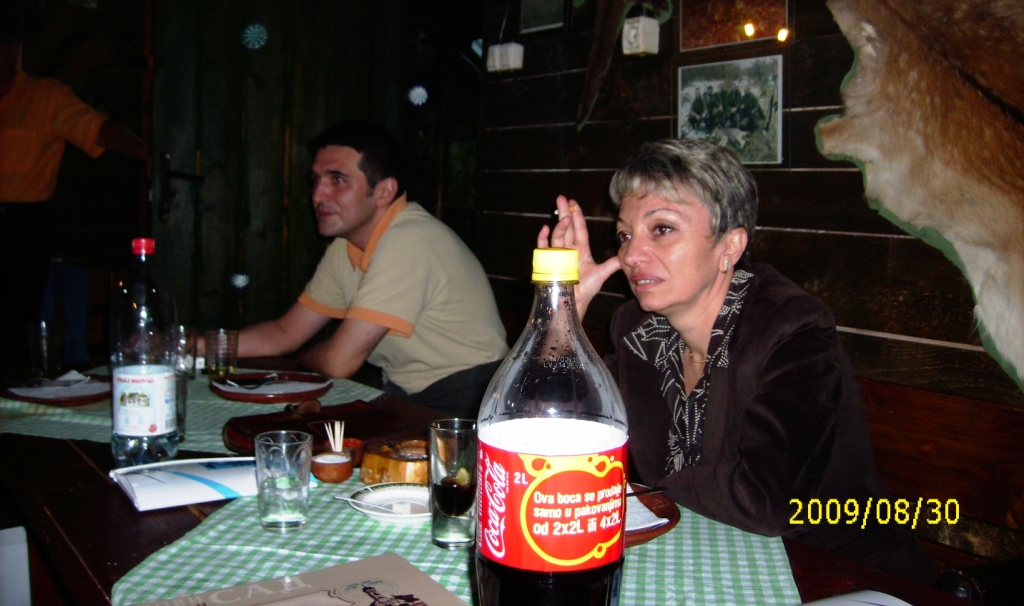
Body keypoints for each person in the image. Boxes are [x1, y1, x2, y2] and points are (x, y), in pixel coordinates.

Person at [537, 138, 938, 583]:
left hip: (841, 572)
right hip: (712, 559)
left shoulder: (791, 330)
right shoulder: (640, 335)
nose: (630, 255)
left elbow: (771, 501)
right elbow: (552, 433)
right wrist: (564, 312)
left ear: (730, 245)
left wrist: (657, 493)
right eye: (625, 235)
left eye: (662, 229)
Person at [237, 121, 508, 418]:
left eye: (337, 180)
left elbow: (338, 362)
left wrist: (303, 357)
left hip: (472, 400)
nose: (317, 195)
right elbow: (285, 332)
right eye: (315, 180)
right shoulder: (346, 244)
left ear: (383, 193)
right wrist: (203, 345)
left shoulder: (409, 240)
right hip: (408, 394)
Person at [0, 22, 149, 368]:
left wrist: (146, 154)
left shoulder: (45, 97)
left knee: (13, 324)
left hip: (19, 228)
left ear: (13, 52)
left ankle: (12, 391)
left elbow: (98, 130)